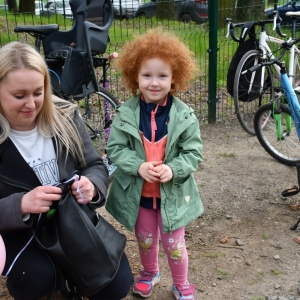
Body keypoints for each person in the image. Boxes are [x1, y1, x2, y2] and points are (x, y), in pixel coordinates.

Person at [0, 41, 133, 300]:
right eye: (19, 95)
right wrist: (21, 204)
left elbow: (95, 165)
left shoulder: (64, 115)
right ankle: (52, 276)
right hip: (22, 231)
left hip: (72, 220)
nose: (31, 104)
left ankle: (68, 275)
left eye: (38, 92)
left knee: (117, 285)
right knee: (35, 281)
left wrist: (92, 185)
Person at [106, 29, 203, 300]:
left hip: (172, 196)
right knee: (146, 240)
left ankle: (181, 282)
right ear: (135, 76)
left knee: (174, 245)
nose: (154, 82)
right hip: (140, 196)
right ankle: (150, 272)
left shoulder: (184, 116)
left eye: (162, 76)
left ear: (174, 78)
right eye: (147, 75)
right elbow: (115, 148)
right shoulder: (126, 114)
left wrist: (173, 169)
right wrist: (138, 166)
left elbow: (193, 152)